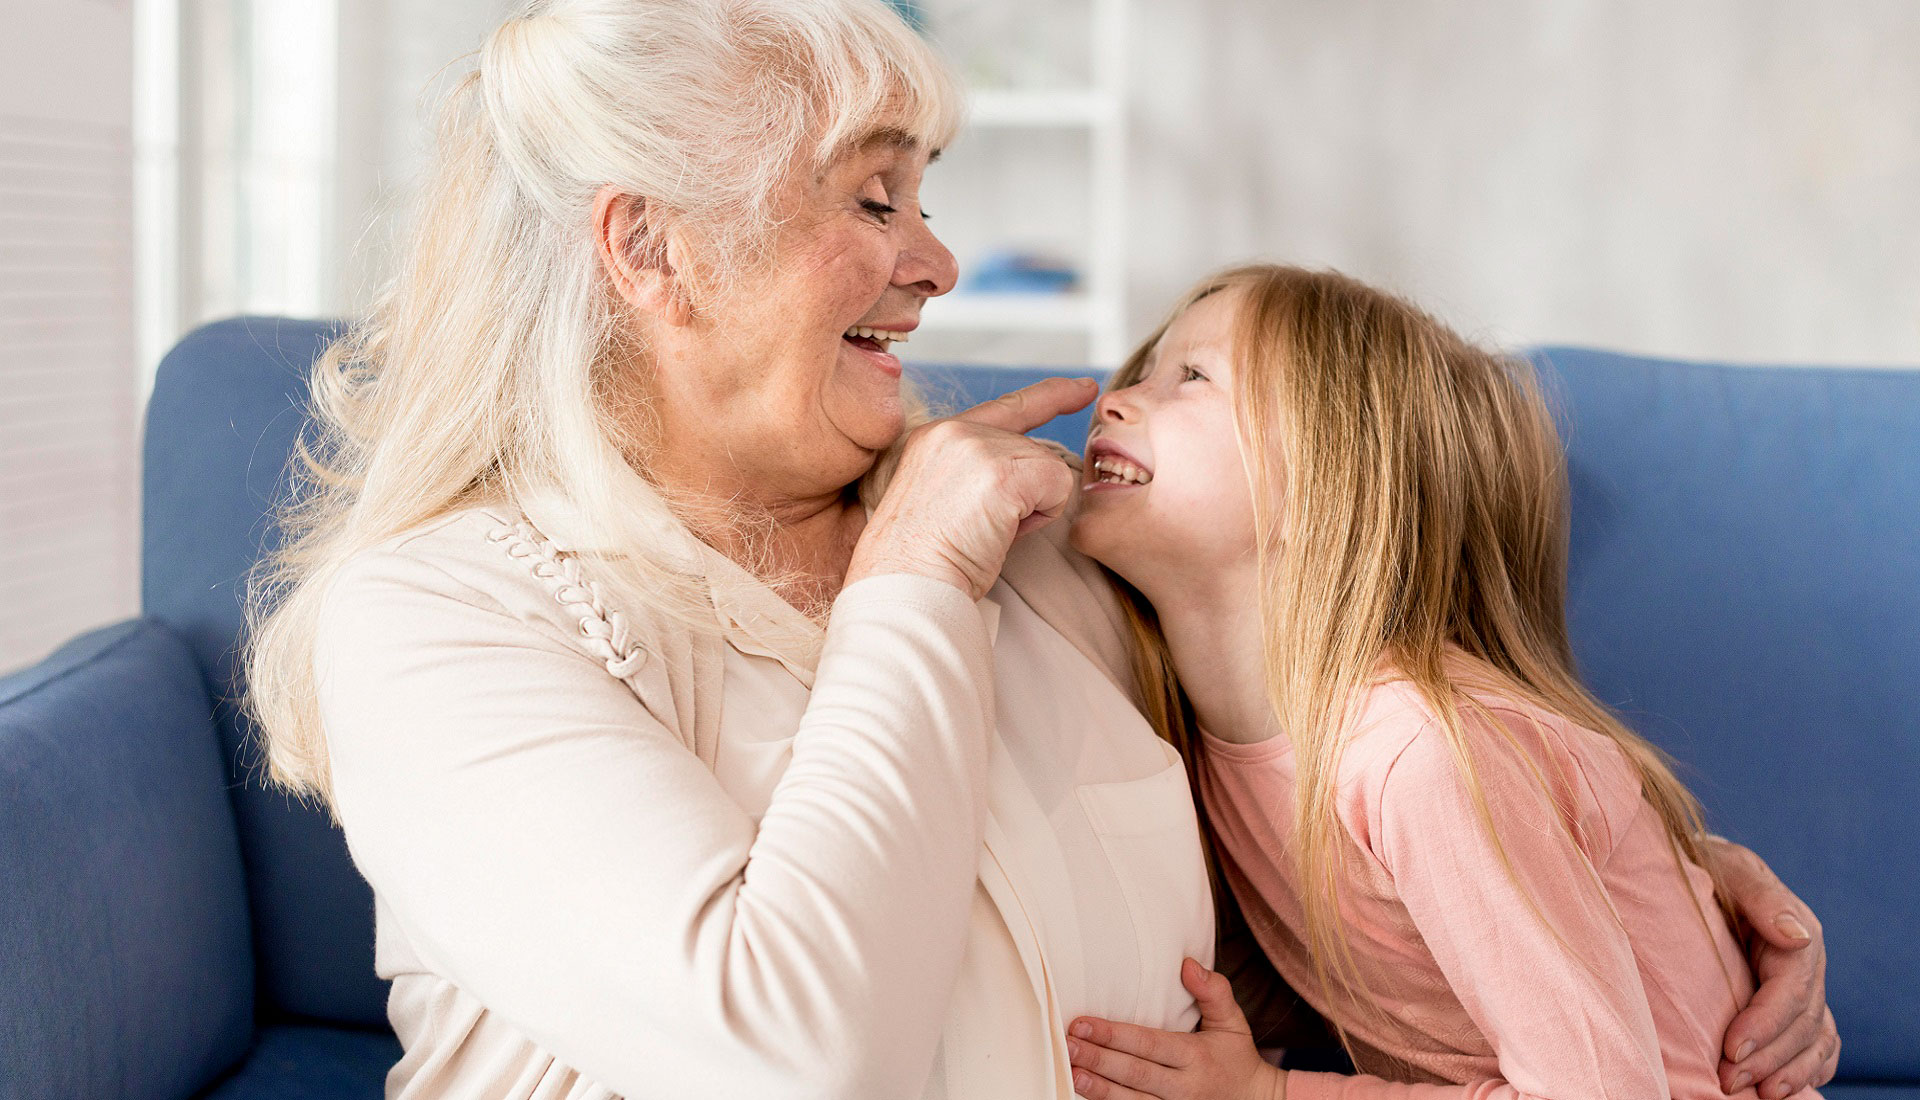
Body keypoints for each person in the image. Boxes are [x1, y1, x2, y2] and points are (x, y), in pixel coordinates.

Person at [238, 0, 1835, 1095]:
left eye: (927, 199)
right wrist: (914, 581)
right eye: (873, 199)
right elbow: (793, 1048)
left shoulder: (1053, 542)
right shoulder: (437, 618)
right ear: (652, 249)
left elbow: (1331, 880)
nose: (932, 265)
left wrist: (1672, 902)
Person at [1060, 265, 1840, 1100]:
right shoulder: (1214, 735)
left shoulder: (1422, 757)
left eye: (1192, 377)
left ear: (1337, 474)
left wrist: (1268, 1095)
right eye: (1143, 370)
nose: (1114, 399)